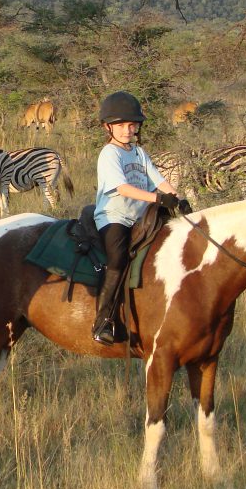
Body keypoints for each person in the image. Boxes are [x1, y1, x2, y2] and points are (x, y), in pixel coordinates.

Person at [92, 91, 189, 345]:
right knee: (117, 260)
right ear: (108, 127)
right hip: (114, 216)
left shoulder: (138, 152)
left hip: (140, 216)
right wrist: (157, 199)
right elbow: (122, 189)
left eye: (132, 124)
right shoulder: (109, 154)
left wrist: (178, 198)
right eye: (121, 125)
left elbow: (159, 180)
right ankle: (103, 322)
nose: (127, 130)